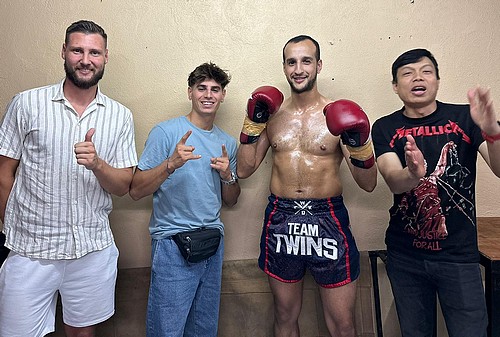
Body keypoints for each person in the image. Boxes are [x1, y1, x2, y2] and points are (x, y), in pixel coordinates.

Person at [0, 20, 137, 337]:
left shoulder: (119, 116)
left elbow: (124, 186)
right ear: (64, 51)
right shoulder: (27, 103)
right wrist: (11, 223)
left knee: (81, 333)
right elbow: (4, 171)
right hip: (30, 249)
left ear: (105, 57)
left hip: (91, 250)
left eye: (94, 52)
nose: (86, 59)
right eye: (77, 50)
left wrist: (98, 164)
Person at [237, 35, 377, 337]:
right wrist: (252, 122)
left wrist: (359, 143)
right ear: (285, 67)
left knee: (342, 323)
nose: (298, 69)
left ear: (319, 65)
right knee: (285, 316)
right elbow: (245, 169)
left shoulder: (339, 115)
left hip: (327, 217)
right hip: (282, 216)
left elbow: (368, 184)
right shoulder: (272, 116)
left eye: (306, 61)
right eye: (291, 62)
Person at [372, 48, 500, 337]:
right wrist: (413, 174)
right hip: (405, 257)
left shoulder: (466, 118)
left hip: (458, 255)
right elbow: (393, 180)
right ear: (395, 86)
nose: (418, 77)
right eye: (407, 73)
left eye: (426, 71)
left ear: (438, 80)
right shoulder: (385, 127)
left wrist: (492, 131)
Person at [129, 62, 240, 337]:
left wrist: (228, 176)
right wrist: (170, 163)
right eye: (201, 88)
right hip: (172, 243)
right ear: (190, 91)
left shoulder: (228, 142)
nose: (208, 95)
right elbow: (135, 190)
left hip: (212, 243)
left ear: (223, 95)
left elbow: (231, 200)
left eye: (215, 89)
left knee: (203, 330)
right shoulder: (166, 133)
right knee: (167, 331)